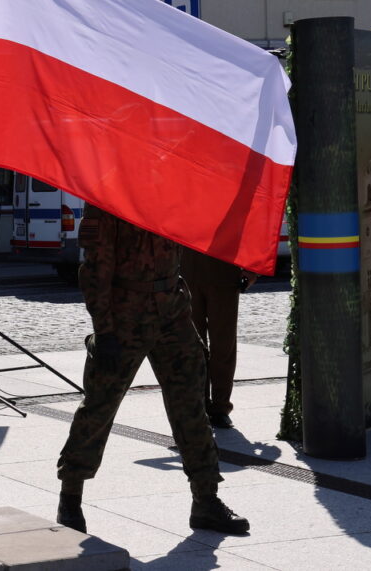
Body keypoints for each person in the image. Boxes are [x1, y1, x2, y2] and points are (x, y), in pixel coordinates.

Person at [55, 204, 249, 535]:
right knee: (100, 406)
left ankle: (206, 499)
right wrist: (105, 332)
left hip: (172, 311)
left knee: (191, 405)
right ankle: (70, 497)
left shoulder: (167, 192)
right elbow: (94, 270)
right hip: (124, 315)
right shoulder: (106, 197)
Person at [180, 248, 257, 429]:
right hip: (188, 269)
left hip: (223, 268)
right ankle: (199, 404)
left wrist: (252, 266)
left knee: (223, 343)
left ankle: (220, 407)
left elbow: (251, 223)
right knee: (193, 344)